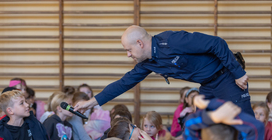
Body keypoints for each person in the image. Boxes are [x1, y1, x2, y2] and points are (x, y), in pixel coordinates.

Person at [73, 25, 253, 116]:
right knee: (205, 131)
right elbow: (123, 83)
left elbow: (217, 43)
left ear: (140, 44)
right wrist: (91, 102)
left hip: (227, 78)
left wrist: (238, 73)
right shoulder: (147, 63)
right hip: (207, 85)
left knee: (247, 129)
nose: (128, 55)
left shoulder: (173, 41)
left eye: (129, 50)